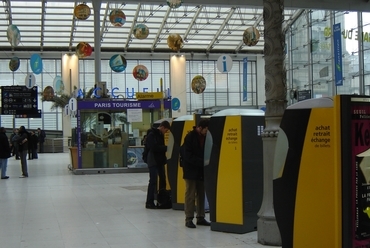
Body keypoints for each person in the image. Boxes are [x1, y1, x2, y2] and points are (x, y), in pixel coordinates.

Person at [182, 119, 211, 228]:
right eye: (206, 129)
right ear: (200, 127)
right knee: (190, 194)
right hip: (190, 170)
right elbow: (187, 155)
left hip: (201, 170)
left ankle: (200, 217)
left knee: (201, 194)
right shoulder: (190, 137)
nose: (206, 132)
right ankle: (189, 218)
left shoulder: (206, 138)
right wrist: (202, 162)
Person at [145, 120, 171, 209]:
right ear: (162, 127)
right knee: (153, 181)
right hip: (153, 160)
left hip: (159, 161)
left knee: (162, 179)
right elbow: (154, 147)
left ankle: (162, 199)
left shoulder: (160, 135)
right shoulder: (152, 134)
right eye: (166, 130)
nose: (166, 132)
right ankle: (149, 201)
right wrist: (166, 148)